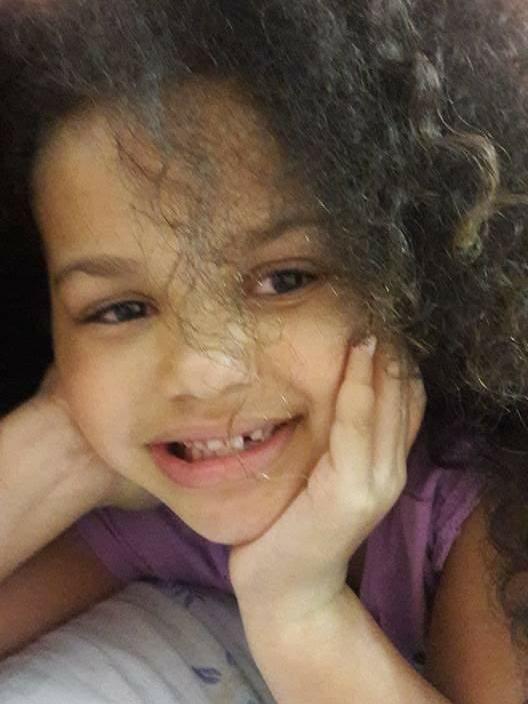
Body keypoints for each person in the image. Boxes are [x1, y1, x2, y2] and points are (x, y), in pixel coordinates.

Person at [0, 0, 527, 701]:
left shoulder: (487, 512)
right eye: (119, 310)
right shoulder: (157, 514)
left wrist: (300, 611)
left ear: (414, 277)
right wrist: (61, 443)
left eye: (283, 280)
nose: (203, 372)